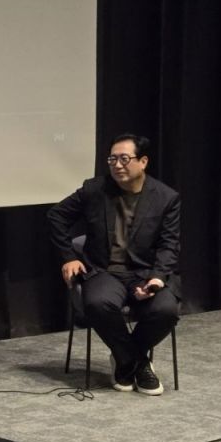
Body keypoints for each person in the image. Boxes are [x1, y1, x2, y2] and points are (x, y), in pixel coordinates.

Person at [47, 133, 180, 395]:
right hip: (104, 270)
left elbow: (169, 244)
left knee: (166, 309)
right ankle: (137, 362)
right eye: (112, 159)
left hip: (145, 271)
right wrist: (69, 257)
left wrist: (157, 278)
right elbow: (56, 216)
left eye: (124, 159)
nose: (117, 165)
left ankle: (125, 358)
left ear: (143, 162)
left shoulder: (166, 197)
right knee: (98, 303)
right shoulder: (94, 190)